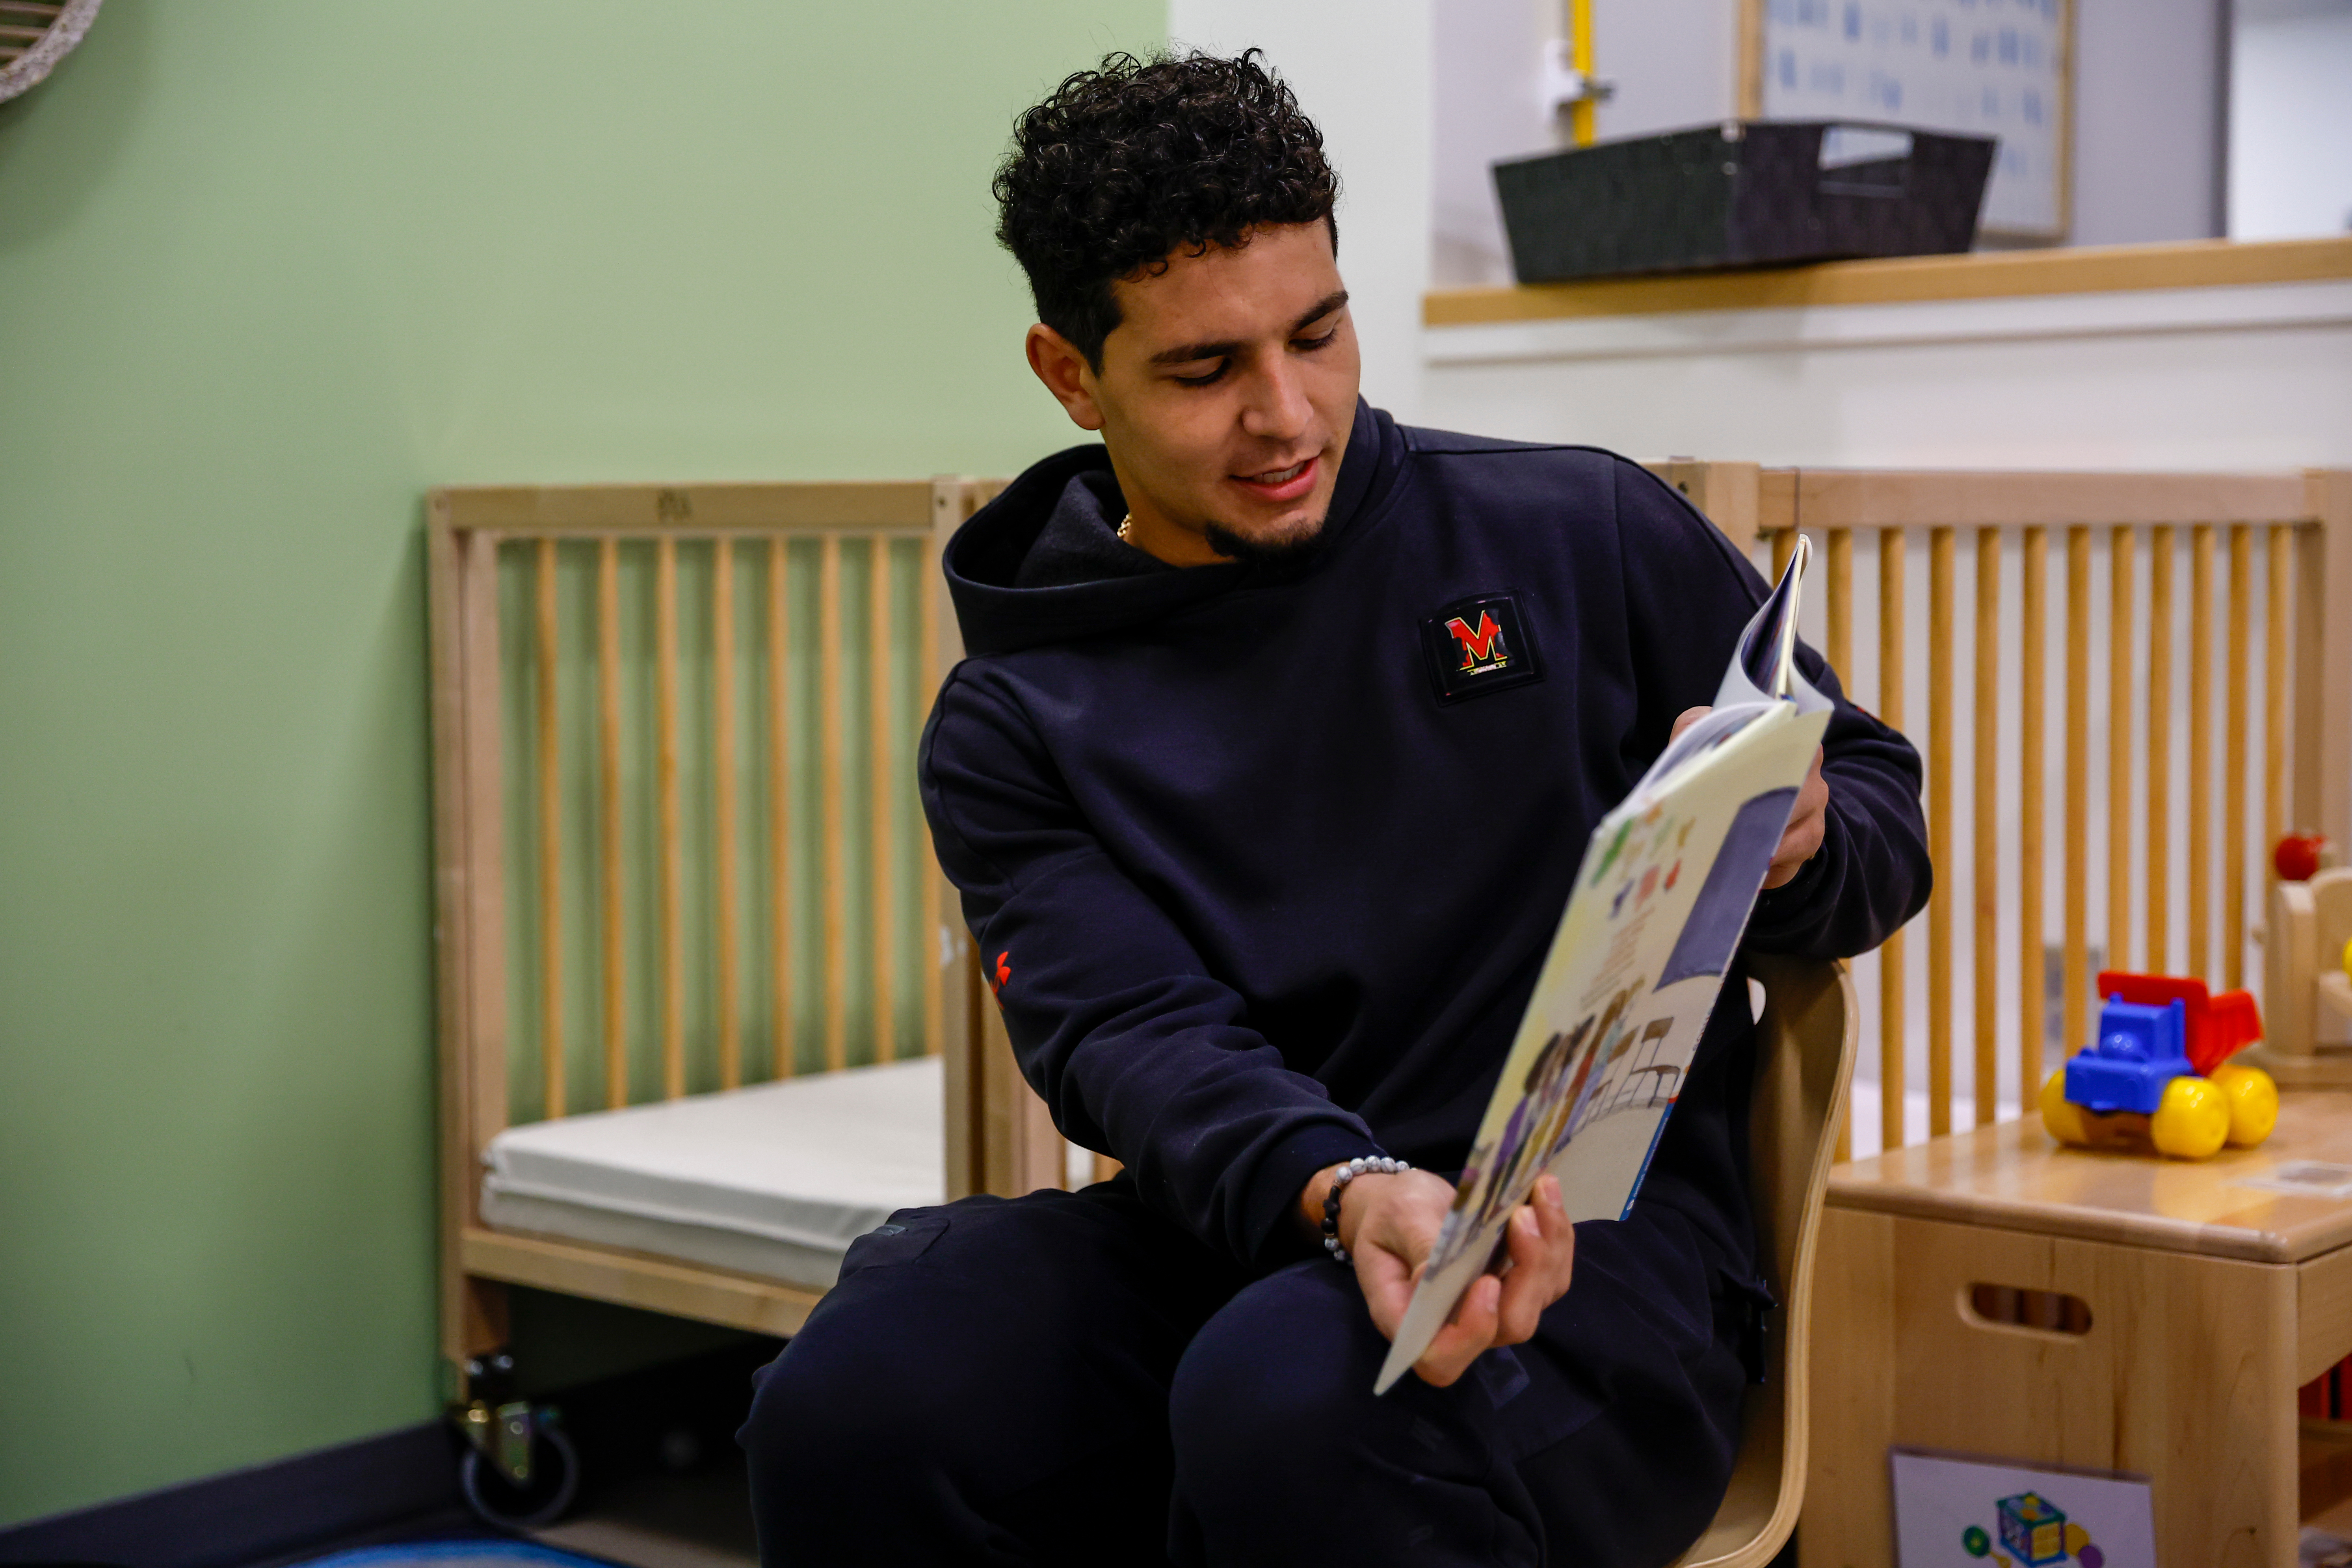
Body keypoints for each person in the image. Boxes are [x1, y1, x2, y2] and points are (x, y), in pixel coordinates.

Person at [738, 49, 1929, 1568]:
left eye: (1318, 333)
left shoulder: (1575, 530)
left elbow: (1879, 799)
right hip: (1260, 1210)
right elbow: (1131, 1037)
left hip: (1589, 1244)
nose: (1286, 414)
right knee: (860, 1399)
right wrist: (1346, 1185)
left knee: (1292, 1404)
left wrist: (1806, 838)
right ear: (1068, 372)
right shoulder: (1016, 716)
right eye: (1202, 370)